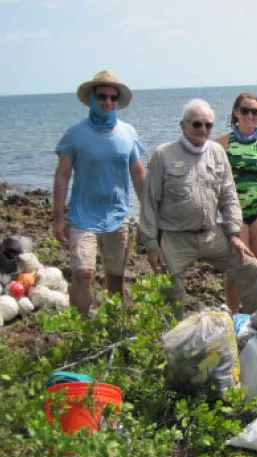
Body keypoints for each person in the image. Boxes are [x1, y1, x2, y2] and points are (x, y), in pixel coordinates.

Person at [139, 99, 257, 317]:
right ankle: (174, 339)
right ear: (183, 126)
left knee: (251, 268)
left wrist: (234, 233)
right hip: (174, 237)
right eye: (197, 124)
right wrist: (151, 245)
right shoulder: (162, 155)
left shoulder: (217, 152)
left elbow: (229, 196)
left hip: (211, 235)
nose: (203, 130)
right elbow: (149, 202)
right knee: (171, 290)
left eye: (208, 125)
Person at [52, 70, 146, 318]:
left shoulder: (128, 133)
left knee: (116, 277)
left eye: (113, 98)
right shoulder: (75, 134)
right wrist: (58, 219)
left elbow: (138, 175)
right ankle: (81, 326)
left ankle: (114, 326)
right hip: (82, 217)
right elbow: (62, 176)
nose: (107, 102)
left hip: (117, 216)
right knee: (83, 273)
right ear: (93, 99)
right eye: (102, 96)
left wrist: (150, 215)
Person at [215, 92, 257, 312]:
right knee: (238, 264)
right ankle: (233, 314)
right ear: (236, 113)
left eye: (255, 111)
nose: (250, 115)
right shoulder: (222, 143)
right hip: (235, 211)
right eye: (245, 110)